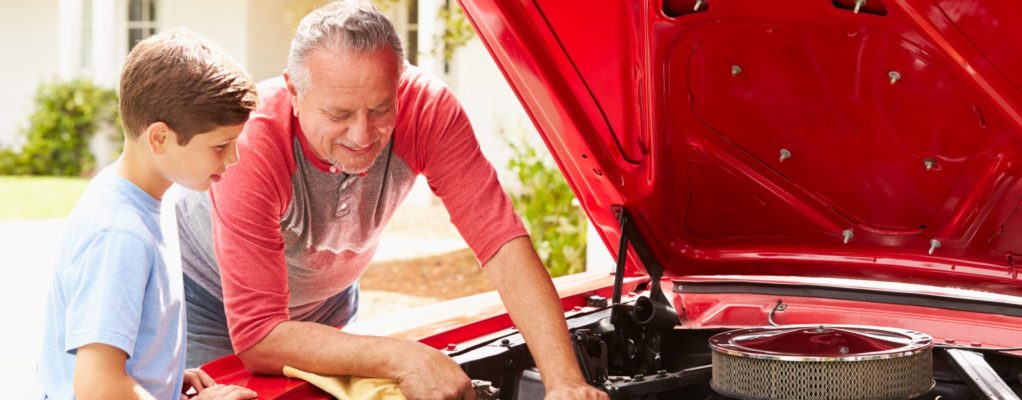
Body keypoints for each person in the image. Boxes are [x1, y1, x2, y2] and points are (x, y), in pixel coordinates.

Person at [175, 1, 608, 399]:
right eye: (339, 114)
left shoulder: (428, 111)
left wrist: (565, 381)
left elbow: (501, 241)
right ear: (294, 92)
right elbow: (259, 334)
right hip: (204, 301)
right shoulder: (254, 142)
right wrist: (405, 356)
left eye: (381, 109)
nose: (362, 136)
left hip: (326, 302)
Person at [37, 29, 259, 400]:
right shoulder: (120, 234)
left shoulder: (147, 197)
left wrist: (162, 376)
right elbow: (97, 388)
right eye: (220, 146)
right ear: (159, 138)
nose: (233, 159)